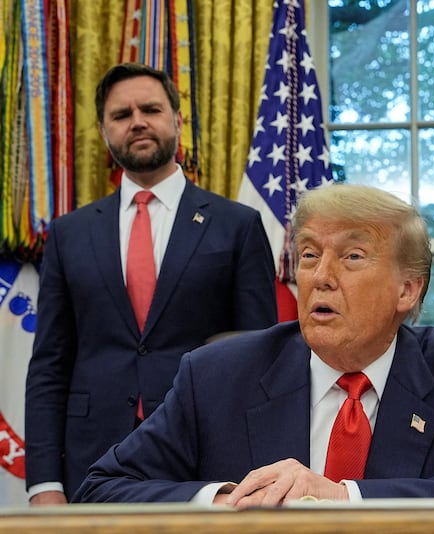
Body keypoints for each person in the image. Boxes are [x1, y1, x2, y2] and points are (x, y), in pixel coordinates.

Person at [73, 183, 434, 505]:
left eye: (352, 256)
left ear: (407, 290)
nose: (320, 277)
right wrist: (225, 501)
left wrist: (345, 498)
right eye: (308, 254)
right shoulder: (216, 374)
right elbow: (102, 488)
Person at [25, 63, 279, 504]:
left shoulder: (237, 225)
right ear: (104, 132)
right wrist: (44, 484)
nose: (137, 121)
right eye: (121, 115)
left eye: (151, 109)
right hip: (90, 459)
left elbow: (259, 359)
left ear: (177, 120)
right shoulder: (69, 234)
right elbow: (49, 364)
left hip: (207, 453)